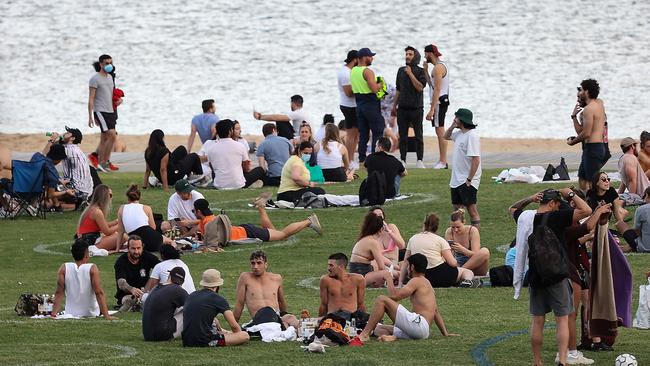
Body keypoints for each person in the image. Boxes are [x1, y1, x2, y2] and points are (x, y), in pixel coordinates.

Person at [512, 188, 592, 366]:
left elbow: (512, 209)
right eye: (557, 204)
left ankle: (537, 361)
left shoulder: (526, 218)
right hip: (557, 274)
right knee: (562, 318)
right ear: (551, 203)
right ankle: (563, 360)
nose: (558, 208)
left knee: (537, 320)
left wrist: (529, 198)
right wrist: (570, 194)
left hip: (535, 274)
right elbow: (586, 210)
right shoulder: (557, 217)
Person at [349, 253, 455, 346]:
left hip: (418, 326)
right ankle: (389, 337)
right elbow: (435, 311)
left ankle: (364, 335)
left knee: (381, 300)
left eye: (407, 266)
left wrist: (388, 278)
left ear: (412, 267)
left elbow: (395, 296)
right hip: (423, 331)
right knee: (378, 329)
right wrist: (445, 333)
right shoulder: (427, 283)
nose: (407, 268)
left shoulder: (416, 281)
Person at [194, 196, 321, 243]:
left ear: (199, 211)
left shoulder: (208, 223)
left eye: (194, 211)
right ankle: (261, 207)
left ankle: (309, 221)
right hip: (244, 230)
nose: (193, 213)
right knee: (274, 232)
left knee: (283, 235)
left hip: (249, 233)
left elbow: (212, 242)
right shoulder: (206, 220)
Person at [400, 213, 474, 288]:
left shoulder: (413, 239)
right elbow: (453, 263)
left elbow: (406, 261)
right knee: (466, 272)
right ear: (437, 227)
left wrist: (400, 283)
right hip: (440, 275)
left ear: (424, 225)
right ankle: (467, 281)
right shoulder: (440, 240)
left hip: (420, 276)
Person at [50, 239, 116, 319]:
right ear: (86, 255)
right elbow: (99, 292)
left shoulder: (64, 268)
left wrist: (53, 314)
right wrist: (106, 315)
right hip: (91, 313)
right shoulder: (92, 268)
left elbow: (59, 293)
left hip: (70, 312)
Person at [182, 269, 250, 347]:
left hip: (187, 340)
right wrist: (238, 334)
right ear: (217, 285)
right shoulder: (218, 299)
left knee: (214, 322)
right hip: (204, 341)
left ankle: (225, 334)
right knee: (244, 335)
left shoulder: (192, 295)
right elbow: (235, 327)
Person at [234, 250, 299, 329]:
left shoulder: (276, 278)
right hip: (259, 320)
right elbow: (239, 304)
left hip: (275, 318)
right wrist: (234, 326)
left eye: (259, 263)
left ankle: (308, 333)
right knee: (285, 324)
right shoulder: (245, 278)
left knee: (291, 318)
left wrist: (284, 317)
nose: (255, 267)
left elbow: (281, 302)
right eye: (253, 263)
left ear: (266, 264)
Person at [567, 79, 608, 192]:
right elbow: (584, 131)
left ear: (586, 91)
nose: (580, 93)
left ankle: (594, 204)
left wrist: (572, 142)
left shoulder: (588, 110)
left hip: (593, 148)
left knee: (592, 182)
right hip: (593, 148)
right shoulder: (599, 103)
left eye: (582, 90)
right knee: (582, 178)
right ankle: (586, 201)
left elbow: (586, 133)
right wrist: (574, 116)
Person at [444, 108, 482, 229]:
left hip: (467, 179)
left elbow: (476, 160)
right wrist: (452, 126)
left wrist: (469, 179)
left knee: (472, 210)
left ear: (462, 119)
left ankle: (475, 237)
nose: (454, 119)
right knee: (457, 210)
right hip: (456, 179)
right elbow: (445, 136)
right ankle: (461, 235)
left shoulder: (472, 136)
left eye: (456, 117)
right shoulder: (459, 134)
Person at [204, 119, 265, 189]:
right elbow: (246, 167)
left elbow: (212, 167)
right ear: (230, 131)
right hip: (238, 184)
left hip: (219, 185)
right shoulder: (240, 145)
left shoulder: (211, 148)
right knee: (260, 169)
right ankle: (251, 183)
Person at [392, 46, 426, 168]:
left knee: (418, 135)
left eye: (410, 54)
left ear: (415, 56)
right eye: (406, 54)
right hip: (402, 109)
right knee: (403, 136)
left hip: (417, 108)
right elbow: (398, 90)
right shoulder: (400, 70)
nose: (407, 56)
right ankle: (403, 159)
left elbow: (420, 87)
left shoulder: (421, 71)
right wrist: (393, 105)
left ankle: (420, 160)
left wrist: (411, 74)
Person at [351, 48, 385, 163]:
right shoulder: (367, 71)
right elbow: (374, 89)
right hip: (370, 102)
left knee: (364, 133)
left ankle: (362, 158)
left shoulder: (353, 70)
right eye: (370, 56)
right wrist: (380, 85)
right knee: (378, 130)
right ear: (364, 57)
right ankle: (376, 157)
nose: (372, 58)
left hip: (359, 103)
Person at [116, 184, 173, 252]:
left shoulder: (121, 208)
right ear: (139, 197)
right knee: (171, 242)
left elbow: (120, 231)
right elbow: (153, 227)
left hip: (137, 242)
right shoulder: (146, 208)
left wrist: (117, 249)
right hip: (152, 238)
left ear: (128, 197)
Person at [45, 127, 93, 205]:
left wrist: (52, 140)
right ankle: (57, 204)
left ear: (72, 138)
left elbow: (44, 156)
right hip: (85, 189)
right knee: (52, 180)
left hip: (76, 189)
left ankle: (56, 205)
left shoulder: (68, 149)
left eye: (67, 133)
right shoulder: (75, 148)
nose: (64, 134)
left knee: (47, 184)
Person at [87, 54, 118, 172]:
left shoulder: (110, 77)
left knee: (106, 137)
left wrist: (118, 101)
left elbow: (111, 95)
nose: (109, 65)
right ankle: (103, 162)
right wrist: (90, 116)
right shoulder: (94, 79)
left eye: (111, 63)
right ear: (101, 64)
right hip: (100, 111)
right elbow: (91, 98)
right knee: (112, 135)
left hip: (111, 111)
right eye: (106, 63)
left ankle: (100, 160)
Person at [113, 235, 160, 311]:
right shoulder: (121, 262)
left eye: (138, 248)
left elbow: (161, 267)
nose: (136, 251)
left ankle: (142, 303)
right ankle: (139, 303)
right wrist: (132, 289)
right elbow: (121, 283)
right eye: (133, 248)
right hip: (128, 294)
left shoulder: (147, 256)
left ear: (142, 247)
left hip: (146, 292)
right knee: (129, 300)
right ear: (128, 248)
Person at [349, 212, 396, 287]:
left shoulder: (364, 239)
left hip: (358, 272)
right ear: (380, 229)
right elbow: (381, 267)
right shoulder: (373, 242)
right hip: (362, 275)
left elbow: (381, 259)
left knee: (393, 272)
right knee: (389, 274)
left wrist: (395, 267)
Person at [142, 266, 189, 341]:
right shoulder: (177, 290)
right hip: (162, 335)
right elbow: (194, 306)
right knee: (192, 310)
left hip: (147, 335)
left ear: (169, 275)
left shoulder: (156, 288)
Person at [423, 44, 450, 169]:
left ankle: (443, 161)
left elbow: (437, 89)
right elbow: (432, 86)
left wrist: (432, 109)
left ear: (430, 54)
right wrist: (425, 72)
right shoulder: (437, 67)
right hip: (439, 101)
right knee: (438, 130)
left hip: (439, 102)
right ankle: (442, 160)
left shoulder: (439, 67)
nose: (424, 56)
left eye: (425, 53)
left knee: (440, 131)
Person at [444, 209, 491, 276]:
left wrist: (462, 250)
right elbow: (448, 254)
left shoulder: (472, 230)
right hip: (457, 264)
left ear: (464, 222)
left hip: (475, 265)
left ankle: (459, 272)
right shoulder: (449, 232)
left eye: (458, 227)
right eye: (453, 227)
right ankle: (460, 272)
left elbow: (475, 254)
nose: (455, 230)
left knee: (485, 251)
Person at [318, 253, 366, 319]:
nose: (328, 268)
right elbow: (323, 304)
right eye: (328, 265)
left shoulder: (358, 280)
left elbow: (361, 304)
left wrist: (362, 320)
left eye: (331, 265)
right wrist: (320, 320)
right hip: (332, 317)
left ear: (341, 266)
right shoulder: (325, 280)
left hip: (350, 317)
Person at [76, 184, 121, 253]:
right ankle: (93, 249)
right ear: (104, 196)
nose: (111, 198)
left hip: (87, 239)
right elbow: (107, 231)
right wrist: (121, 225)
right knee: (121, 236)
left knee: (118, 235)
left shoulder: (92, 208)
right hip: (90, 241)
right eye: (110, 195)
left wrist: (116, 221)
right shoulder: (97, 211)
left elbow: (103, 225)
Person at [30, 143, 75, 212]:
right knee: (49, 200)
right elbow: (50, 195)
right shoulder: (53, 174)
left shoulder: (37, 156)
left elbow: (42, 171)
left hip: (19, 187)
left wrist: (59, 180)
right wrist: (66, 191)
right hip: (33, 193)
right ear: (58, 159)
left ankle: (57, 205)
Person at [338, 50, 360, 169]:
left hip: (351, 106)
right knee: (351, 135)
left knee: (355, 134)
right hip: (349, 106)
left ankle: (351, 159)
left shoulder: (348, 71)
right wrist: (362, 89)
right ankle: (349, 160)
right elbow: (348, 93)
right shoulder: (346, 73)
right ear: (355, 59)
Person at [617, 187, 650, 253]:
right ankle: (629, 247)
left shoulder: (642, 209)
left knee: (620, 224)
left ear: (647, 195)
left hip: (645, 247)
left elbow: (637, 231)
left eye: (644, 197)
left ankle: (631, 246)